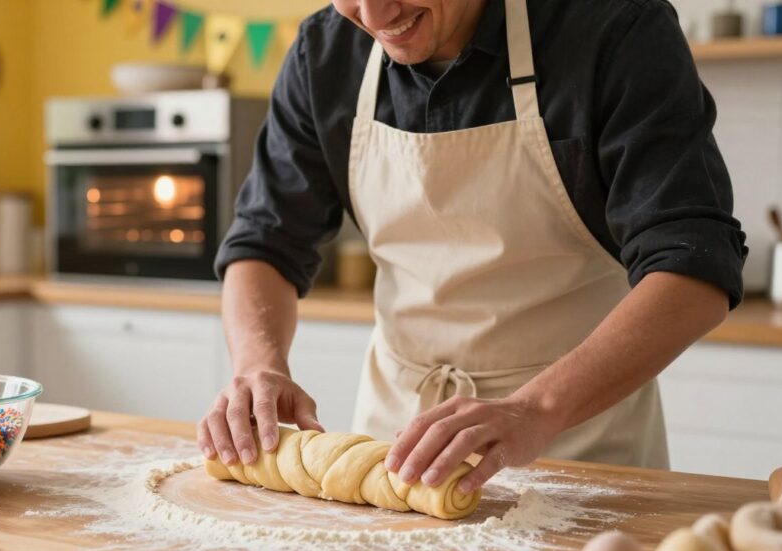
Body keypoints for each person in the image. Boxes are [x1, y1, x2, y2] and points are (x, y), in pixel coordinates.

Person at [196, 0, 747, 495]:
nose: (373, 13)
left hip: (582, 446)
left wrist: (534, 408)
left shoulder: (613, 26)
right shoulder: (325, 53)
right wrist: (258, 362)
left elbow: (694, 265)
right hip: (396, 453)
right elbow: (264, 241)